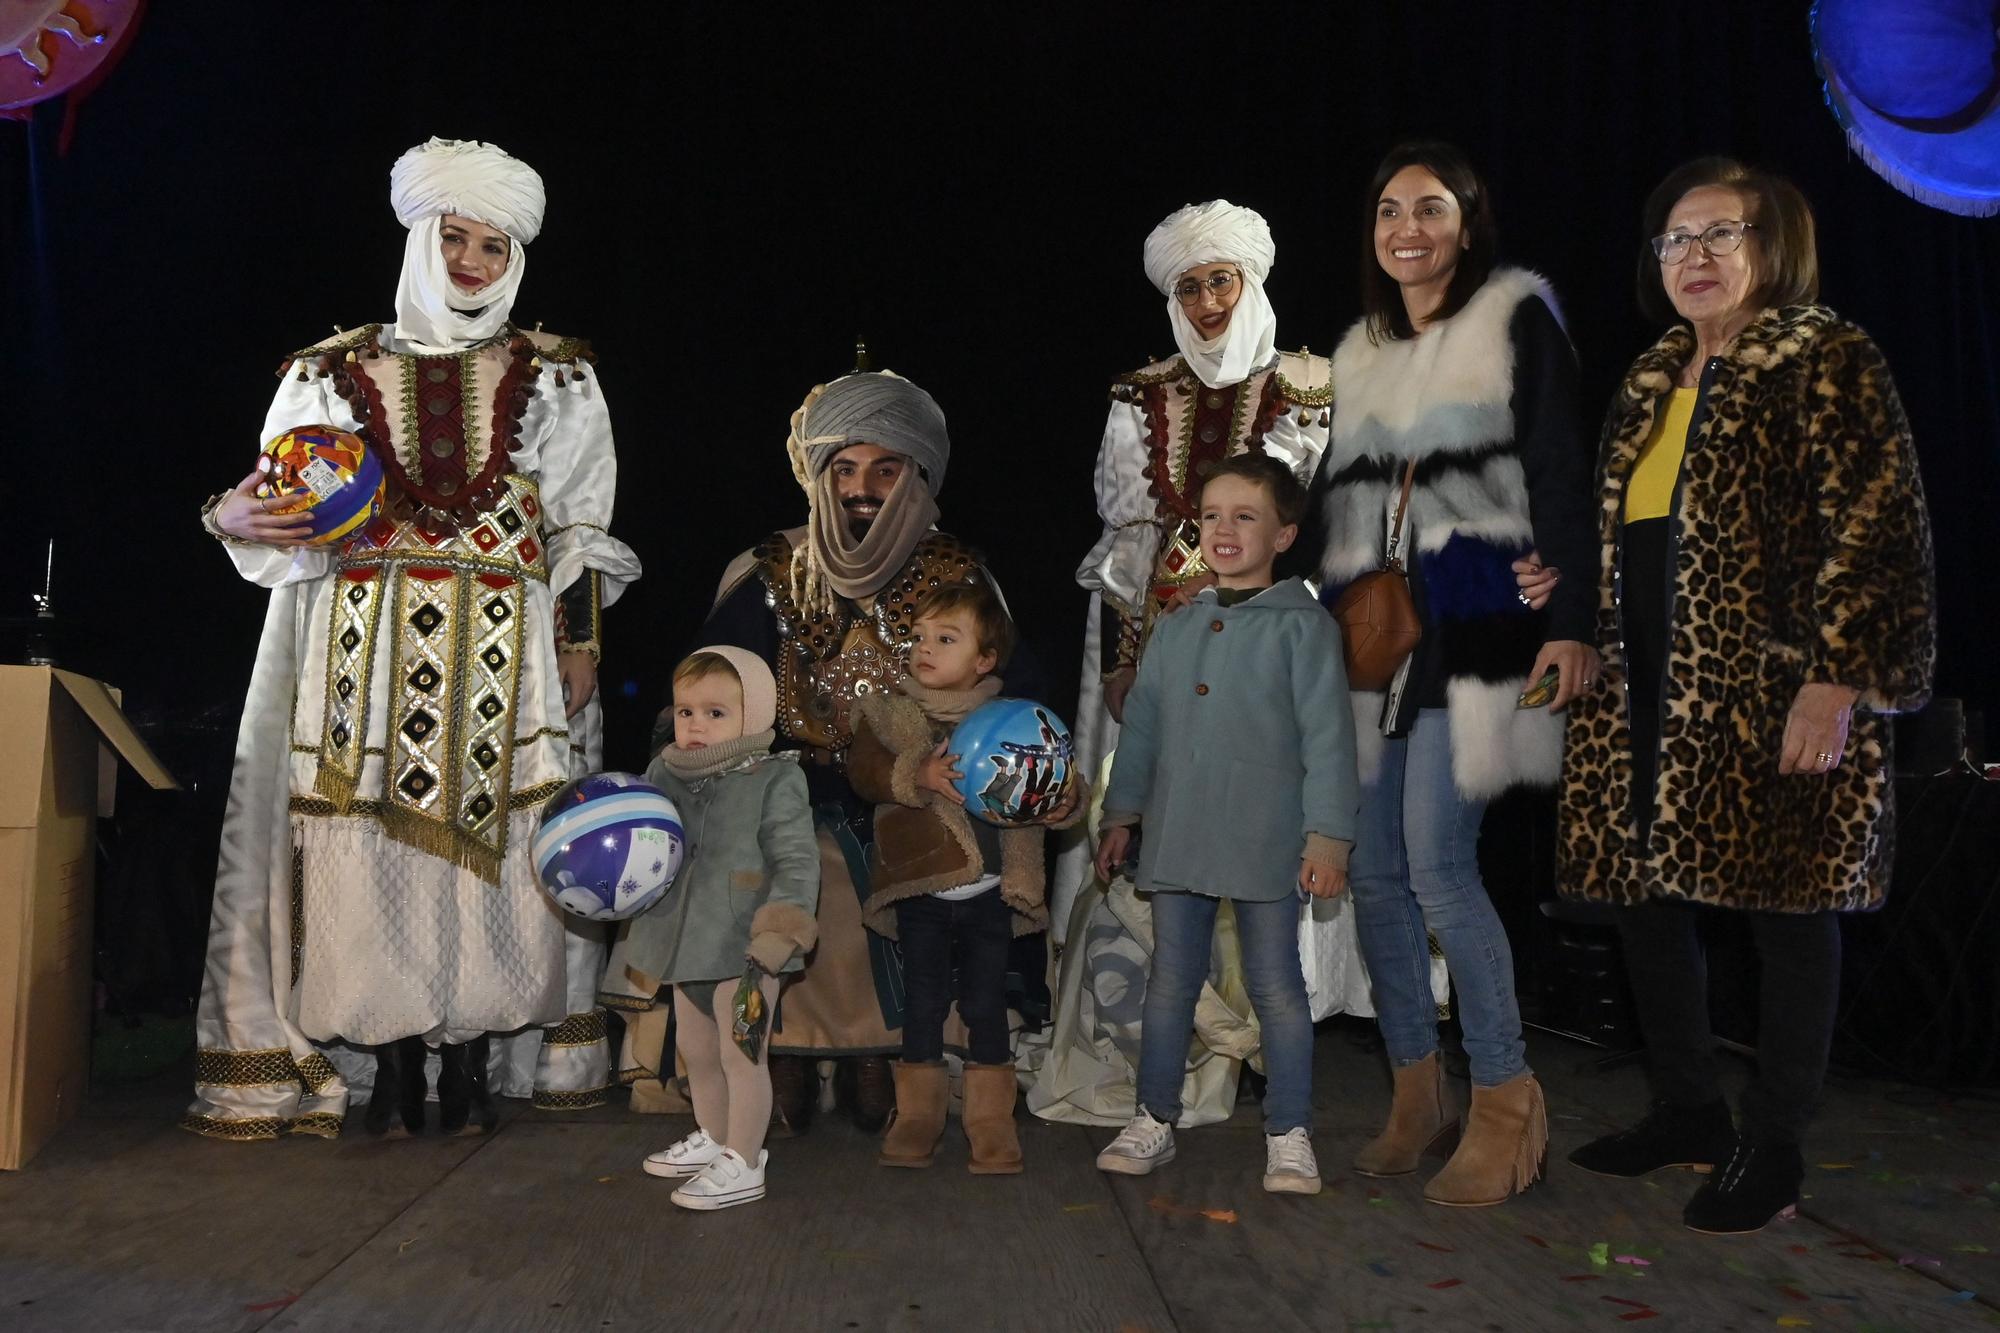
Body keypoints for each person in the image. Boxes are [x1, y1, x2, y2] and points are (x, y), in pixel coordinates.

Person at [187, 137, 642, 1140]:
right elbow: (277, 509)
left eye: (492, 244)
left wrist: (580, 648)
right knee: (364, 857)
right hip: (362, 658)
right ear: (419, 238)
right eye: (455, 237)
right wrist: (230, 514)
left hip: (505, 660)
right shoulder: (329, 371)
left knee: (495, 859)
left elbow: (577, 533)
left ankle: (474, 1068)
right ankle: (389, 1072)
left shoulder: (557, 378)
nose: (473, 261)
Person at [1556, 157, 1935, 1235]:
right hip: (1642, 695)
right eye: (1673, 240)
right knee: (1642, 896)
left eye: (1720, 233)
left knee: (1785, 906)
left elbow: (1880, 531)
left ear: (1774, 249)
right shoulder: (1644, 381)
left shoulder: (1824, 356)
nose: (1693, 257)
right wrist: (1570, 606)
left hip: (1770, 688)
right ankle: (1686, 1108)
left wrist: (1837, 677)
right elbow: (1633, 537)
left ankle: (1771, 1143)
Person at [1308, 139, 1598, 1206]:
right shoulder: (1356, 352)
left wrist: (1569, 617)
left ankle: (1506, 1096)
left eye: (1430, 209)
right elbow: (1341, 510)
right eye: (1389, 210)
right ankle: (1414, 1089)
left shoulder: (1512, 318)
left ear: (1467, 223)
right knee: (1374, 874)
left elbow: (1563, 473)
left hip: (1475, 634)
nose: (1407, 229)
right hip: (1373, 643)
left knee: (1436, 865)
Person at [672, 368, 1053, 1136]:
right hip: (791, 780)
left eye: (885, 468)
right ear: (818, 475)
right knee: (785, 846)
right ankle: (779, 1048)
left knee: (907, 845)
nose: (862, 487)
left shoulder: (959, 573)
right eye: (844, 468)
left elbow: (1024, 701)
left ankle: (885, 1053)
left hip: (923, 786)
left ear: (916, 474)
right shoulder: (769, 569)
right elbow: (712, 685)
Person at [1035, 200, 1345, 1132]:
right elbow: (1129, 538)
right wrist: (1127, 657)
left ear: (1250, 283)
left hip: (1269, 643)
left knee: (1264, 867)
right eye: (1189, 285)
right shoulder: (1143, 392)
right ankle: (1137, 1061)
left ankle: (1259, 1071)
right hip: (1164, 643)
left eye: (1221, 280)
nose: (1207, 300)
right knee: (1144, 846)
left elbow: (1307, 513)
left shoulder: (1311, 383)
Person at [1091, 453, 1358, 1196]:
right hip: (1179, 834)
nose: (1224, 529)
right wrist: (1123, 814)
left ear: (1284, 534)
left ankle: (1289, 1128)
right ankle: (1154, 1117)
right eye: (1211, 515)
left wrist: (1328, 838)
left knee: (1276, 986)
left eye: (1245, 516)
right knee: (1171, 980)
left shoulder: (1304, 628)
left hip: (1266, 839)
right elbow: (1140, 731)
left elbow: (1330, 739)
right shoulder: (1177, 630)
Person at [847, 584, 1084, 1173]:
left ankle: (989, 1119)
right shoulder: (890, 712)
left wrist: (1062, 803)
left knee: (984, 1002)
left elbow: (1056, 772)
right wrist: (915, 772)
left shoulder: (1015, 720)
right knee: (923, 1002)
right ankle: (919, 1116)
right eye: (919, 637)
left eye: (945, 639)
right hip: (922, 889)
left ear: (984, 660)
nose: (925, 649)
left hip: (989, 893)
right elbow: (864, 770)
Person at [620, 648, 818, 1211]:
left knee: (742, 1053)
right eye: (685, 712)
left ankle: (747, 1159)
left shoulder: (775, 779)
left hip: (746, 946)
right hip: (685, 941)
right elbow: (643, 836)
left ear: (752, 716)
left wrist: (780, 932)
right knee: (696, 1051)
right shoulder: (664, 771)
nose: (696, 725)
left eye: (715, 713)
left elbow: (797, 862)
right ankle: (716, 1136)